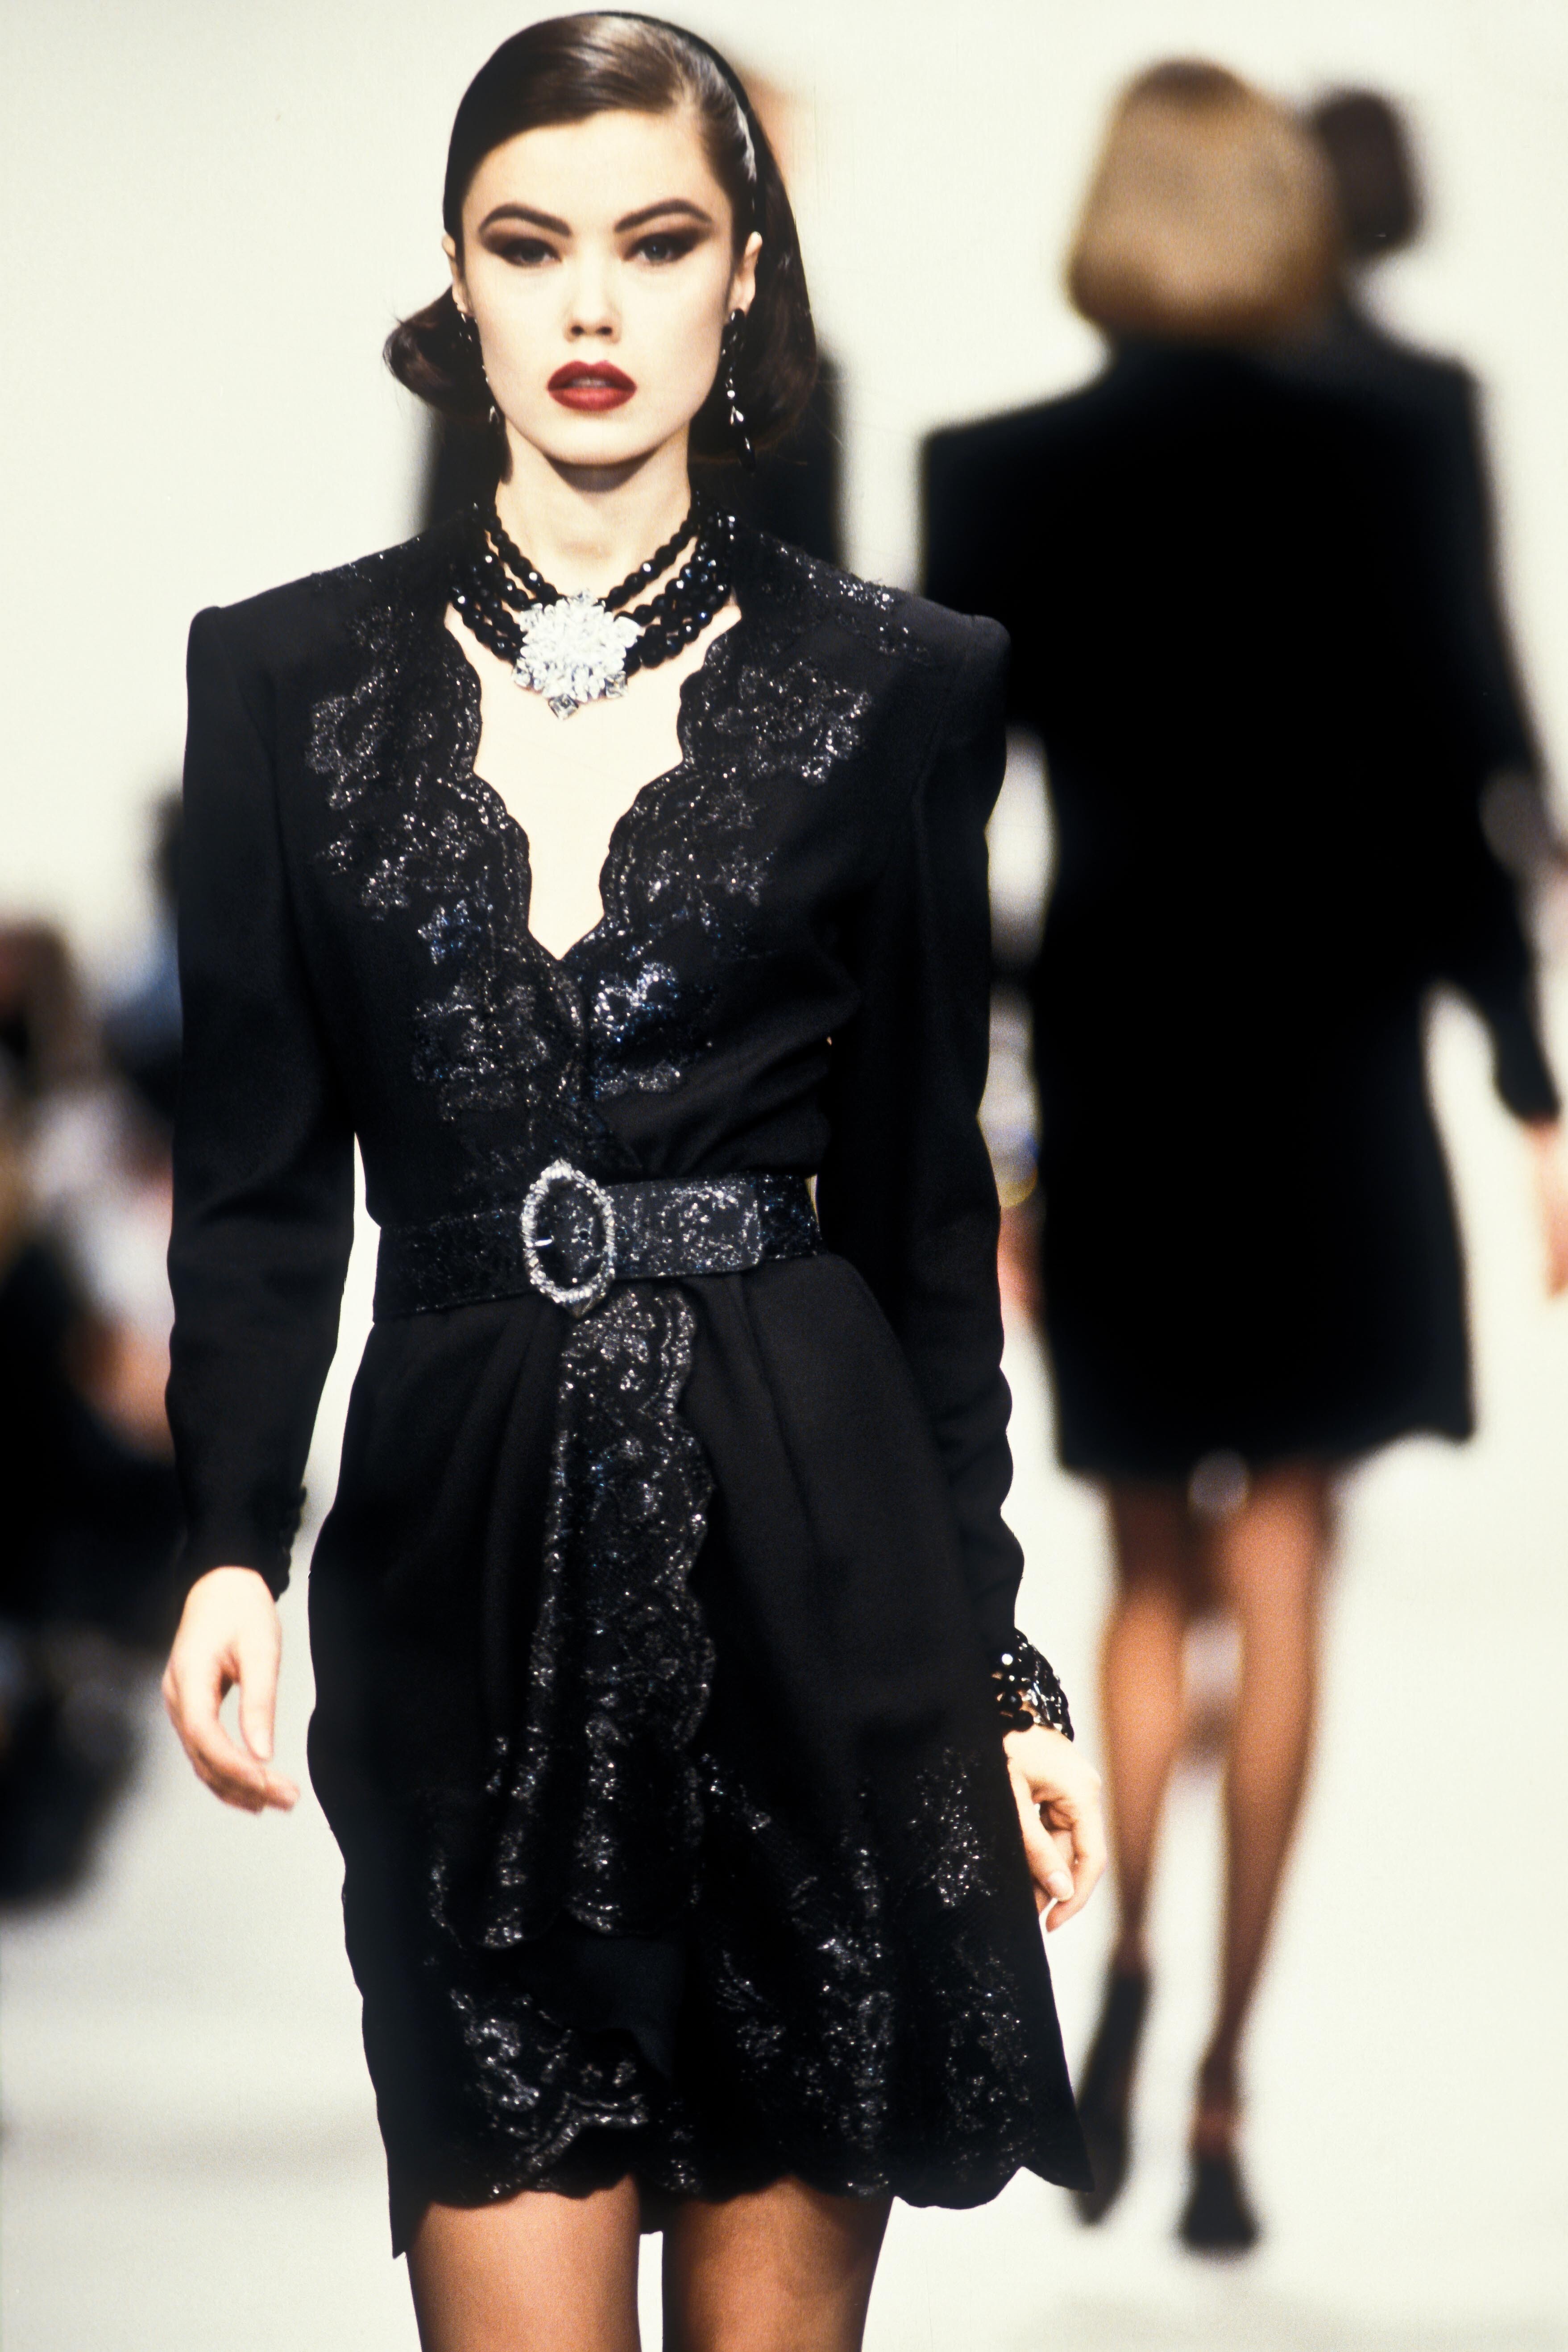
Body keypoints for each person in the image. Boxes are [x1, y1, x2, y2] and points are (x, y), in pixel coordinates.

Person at [158, 17, 1104, 2349]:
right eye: (531, 243)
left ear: (743, 274)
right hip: (454, 1584)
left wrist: (997, 1657)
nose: (590, 304)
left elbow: (919, 1229)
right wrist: (227, 1533)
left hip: (824, 1585)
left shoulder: (900, 686)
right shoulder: (283, 685)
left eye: (656, 241)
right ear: (457, 277)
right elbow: (258, 1181)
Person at [924, 60, 1568, 2252]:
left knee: (1146, 1570)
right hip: (1331, 1068)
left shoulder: (994, 472)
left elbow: (947, 842)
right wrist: (1532, 1084)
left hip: (1128, 1058)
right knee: (1285, 1566)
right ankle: (1215, 2090)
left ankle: (1117, 1963)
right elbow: (1467, 763)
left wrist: (975, 1101)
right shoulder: (1401, 438)